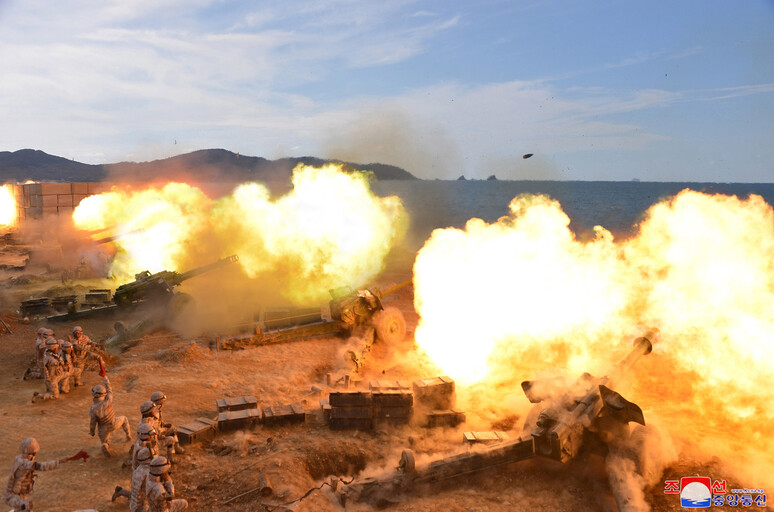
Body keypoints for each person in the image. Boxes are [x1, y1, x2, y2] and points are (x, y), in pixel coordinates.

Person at [3, 438, 72, 511]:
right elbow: (41, 466)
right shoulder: (24, 463)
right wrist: (59, 462)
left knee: (25, 507)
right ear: (31, 453)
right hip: (11, 497)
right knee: (26, 505)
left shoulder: (20, 460)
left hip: (19, 496)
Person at [89, 367, 131, 457]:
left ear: (94, 394)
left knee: (104, 441)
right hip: (114, 423)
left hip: (103, 428)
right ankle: (128, 435)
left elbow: (93, 422)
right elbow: (109, 388)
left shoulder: (93, 409)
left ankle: (105, 446)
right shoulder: (108, 400)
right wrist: (105, 377)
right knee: (125, 419)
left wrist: (92, 431)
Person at [112, 446, 151, 512]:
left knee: (138, 496)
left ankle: (121, 491)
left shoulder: (143, 468)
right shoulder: (145, 471)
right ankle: (121, 491)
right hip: (141, 494)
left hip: (141, 491)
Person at [32, 338, 66, 403]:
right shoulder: (50, 358)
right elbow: (58, 363)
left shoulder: (49, 353)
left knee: (67, 374)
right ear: (53, 348)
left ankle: (63, 388)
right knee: (55, 396)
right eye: (56, 348)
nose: (57, 349)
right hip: (52, 379)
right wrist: (60, 360)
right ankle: (39, 396)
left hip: (55, 376)